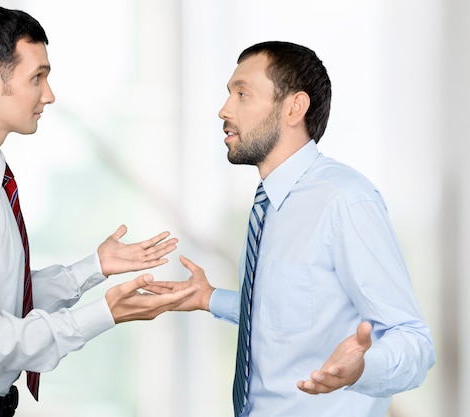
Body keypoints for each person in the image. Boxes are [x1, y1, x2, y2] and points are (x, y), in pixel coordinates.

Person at [0, 3, 198, 417]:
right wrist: (104, 314)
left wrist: (92, 268)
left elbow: (2, 302)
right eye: (37, 77)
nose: (49, 94)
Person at [146, 41, 435, 416]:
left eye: (242, 94)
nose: (224, 110)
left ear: (294, 108)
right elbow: (294, 314)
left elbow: (414, 340)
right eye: (228, 94)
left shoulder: (345, 200)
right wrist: (210, 298)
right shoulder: (270, 205)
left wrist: (362, 369)